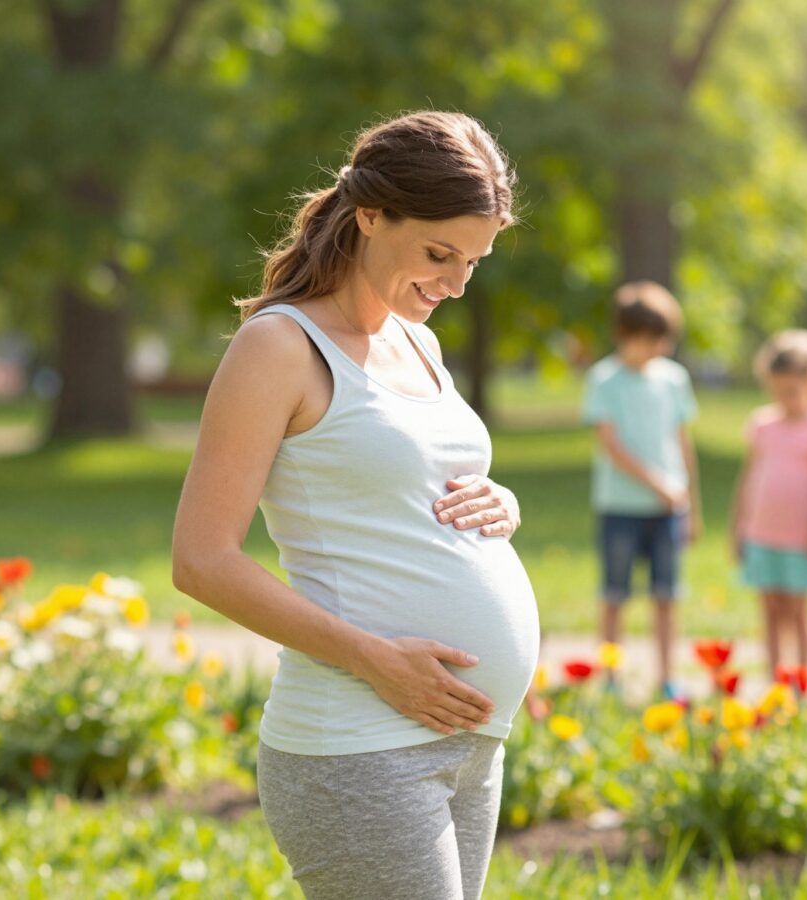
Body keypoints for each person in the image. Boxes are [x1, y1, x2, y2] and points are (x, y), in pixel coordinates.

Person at [171, 111, 540, 900]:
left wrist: (498, 502)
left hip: (467, 743)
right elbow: (202, 561)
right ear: (371, 215)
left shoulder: (418, 340)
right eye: (440, 254)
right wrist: (374, 659)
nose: (457, 283)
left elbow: (396, 483)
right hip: (358, 744)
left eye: (474, 260)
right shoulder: (281, 347)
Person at [580, 281, 702, 700]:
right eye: (650, 339)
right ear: (624, 335)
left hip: (669, 509)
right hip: (621, 506)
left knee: (667, 596)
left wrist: (691, 504)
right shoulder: (604, 379)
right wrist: (659, 485)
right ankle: (611, 677)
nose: (658, 348)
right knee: (615, 595)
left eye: (663, 340)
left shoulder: (673, 379)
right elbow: (611, 446)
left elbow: (683, 443)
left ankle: (667, 676)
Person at [730, 330, 807, 689]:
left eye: (792, 391)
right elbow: (748, 479)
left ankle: (803, 685)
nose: (784, 400)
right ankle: (776, 685)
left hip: (801, 537)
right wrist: (738, 529)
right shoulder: (762, 424)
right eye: (777, 391)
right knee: (770, 614)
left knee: (799, 615)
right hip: (762, 534)